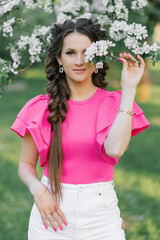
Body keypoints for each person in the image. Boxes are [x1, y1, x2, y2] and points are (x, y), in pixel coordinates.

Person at [11, 18, 150, 240]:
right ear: (59, 58)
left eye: (87, 52)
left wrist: (129, 89)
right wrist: (38, 191)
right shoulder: (40, 108)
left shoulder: (115, 103)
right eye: (70, 53)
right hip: (51, 212)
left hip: (102, 217)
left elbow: (114, 150)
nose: (79, 61)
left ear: (99, 58)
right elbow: (25, 164)